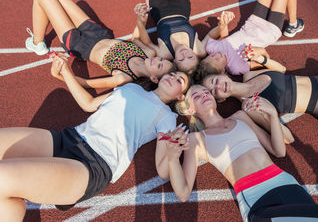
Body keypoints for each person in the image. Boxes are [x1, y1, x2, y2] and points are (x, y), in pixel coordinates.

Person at [0, 54, 190, 221]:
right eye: (172, 74)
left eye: (180, 81)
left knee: (3, 178)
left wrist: (173, 155)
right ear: (157, 78)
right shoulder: (132, 88)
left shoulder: (167, 117)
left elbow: (163, 170)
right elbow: (88, 104)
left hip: (93, 165)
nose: (173, 77)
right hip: (69, 137)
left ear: (181, 97)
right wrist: (65, 71)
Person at [156, 85, 318, 221]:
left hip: (288, 185)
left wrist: (272, 116)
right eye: (196, 95)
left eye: (205, 92)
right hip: (257, 200)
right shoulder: (196, 140)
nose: (203, 95)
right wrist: (173, 158)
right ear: (190, 109)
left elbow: (278, 150)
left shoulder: (241, 117)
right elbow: (183, 193)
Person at [25, 0, 174, 89]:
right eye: (162, 60)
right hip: (97, 33)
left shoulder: (124, 77)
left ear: (154, 78)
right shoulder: (149, 54)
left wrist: (60, 75)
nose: (158, 59)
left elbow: (85, 83)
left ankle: (38, 43)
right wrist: (142, 17)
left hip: (80, 45)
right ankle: (39, 38)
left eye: (159, 65)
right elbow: (135, 38)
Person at [196, 0, 304, 78]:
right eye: (217, 59)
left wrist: (223, 25)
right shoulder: (236, 67)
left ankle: (293, 24)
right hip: (269, 30)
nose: (216, 55)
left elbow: (224, 37)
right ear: (222, 71)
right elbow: (265, 59)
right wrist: (258, 52)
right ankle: (293, 25)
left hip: (254, 21)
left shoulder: (212, 48)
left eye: (211, 56)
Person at [139, 0, 230, 74]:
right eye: (190, 57)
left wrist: (140, 22)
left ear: (175, 62)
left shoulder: (164, 53)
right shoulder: (199, 49)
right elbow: (211, 35)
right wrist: (223, 25)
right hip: (181, 6)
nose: (184, 53)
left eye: (181, 59)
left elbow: (146, 43)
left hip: (159, 8)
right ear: (197, 57)